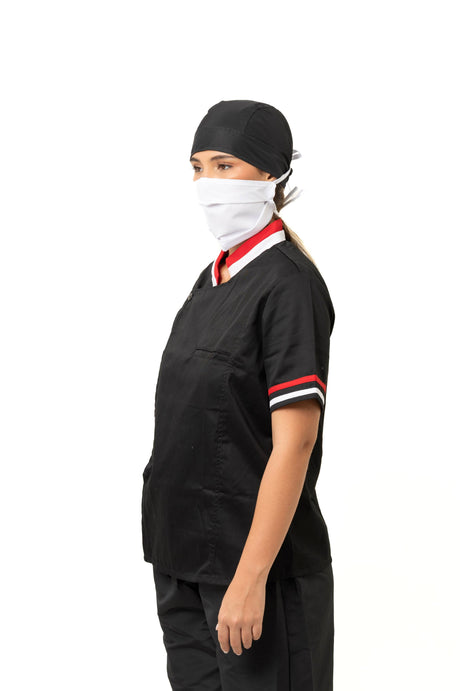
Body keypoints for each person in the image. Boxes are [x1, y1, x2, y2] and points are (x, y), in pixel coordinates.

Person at [141, 99, 335, 691]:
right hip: (183, 560)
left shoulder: (288, 285)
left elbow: (295, 444)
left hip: (253, 572)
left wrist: (250, 580)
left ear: (270, 173)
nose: (207, 183)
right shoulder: (213, 279)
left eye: (225, 165)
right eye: (197, 167)